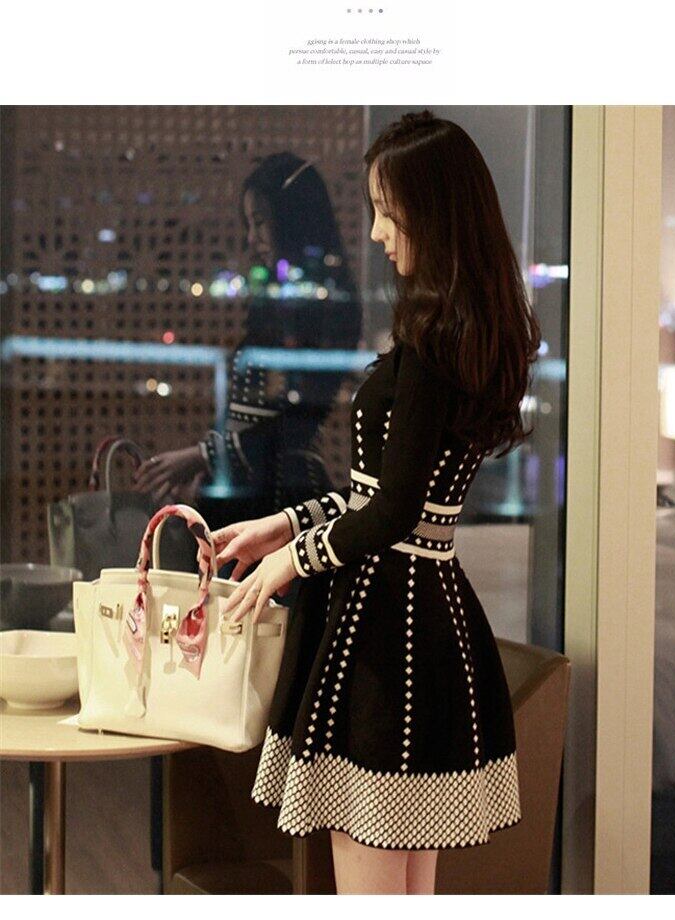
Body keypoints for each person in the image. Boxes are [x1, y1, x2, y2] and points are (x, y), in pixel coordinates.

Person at [211, 111, 542, 895]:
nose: (376, 232)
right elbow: (388, 496)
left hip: (387, 644)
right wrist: (286, 524)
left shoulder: (428, 352)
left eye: (388, 212)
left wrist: (295, 558)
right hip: (425, 624)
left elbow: (392, 514)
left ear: (434, 213)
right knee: (408, 890)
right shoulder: (461, 337)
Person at [131, 153, 362, 550]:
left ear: (292, 220)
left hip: (283, 498)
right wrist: (209, 465)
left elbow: (298, 419)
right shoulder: (279, 300)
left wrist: (203, 455)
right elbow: (251, 409)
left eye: (261, 222)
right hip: (255, 493)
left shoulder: (325, 304)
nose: (251, 238)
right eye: (249, 224)